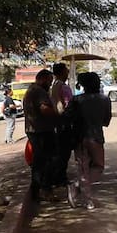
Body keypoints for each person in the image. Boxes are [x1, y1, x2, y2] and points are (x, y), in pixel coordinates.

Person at [65, 72, 113, 209]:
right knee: (98, 166)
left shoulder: (76, 100)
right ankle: (81, 192)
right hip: (96, 137)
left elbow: (67, 117)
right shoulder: (104, 99)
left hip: (79, 138)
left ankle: (84, 195)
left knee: (82, 168)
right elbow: (106, 121)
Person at [22, 70, 58, 201]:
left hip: (35, 130)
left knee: (39, 161)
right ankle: (45, 190)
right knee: (47, 161)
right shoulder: (39, 91)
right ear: (42, 79)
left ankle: (37, 191)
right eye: (49, 81)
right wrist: (58, 114)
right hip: (41, 131)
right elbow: (44, 109)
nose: (50, 84)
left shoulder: (31, 90)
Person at [48, 62, 76, 190]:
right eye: (66, 71)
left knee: (59, 152)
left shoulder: (54, 86)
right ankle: (60, 178)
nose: (68, 73)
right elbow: (69, 105)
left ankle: (57, 177)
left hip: (56, 122)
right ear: (61, 72)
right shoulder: (63, 87)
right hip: (64, 122)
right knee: (64, 152)